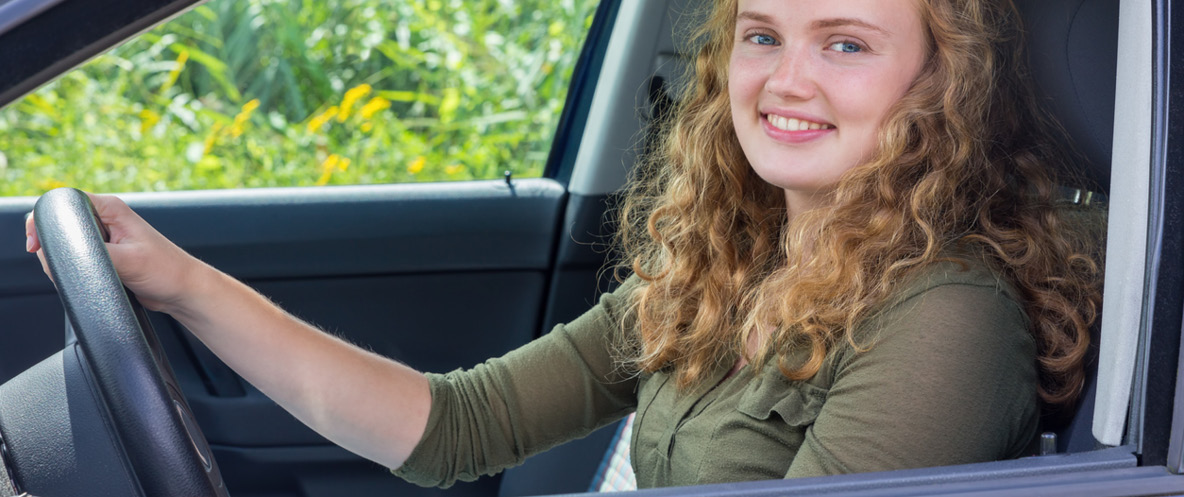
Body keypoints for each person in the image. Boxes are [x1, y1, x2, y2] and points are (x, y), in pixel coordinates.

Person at [25, 0, 1103, 489]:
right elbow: (454, 424)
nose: (784, 79)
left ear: (936, 86)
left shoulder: (947, 318)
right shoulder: (728, 262)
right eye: (764, 35)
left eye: (846, 45)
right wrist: (182, 284)